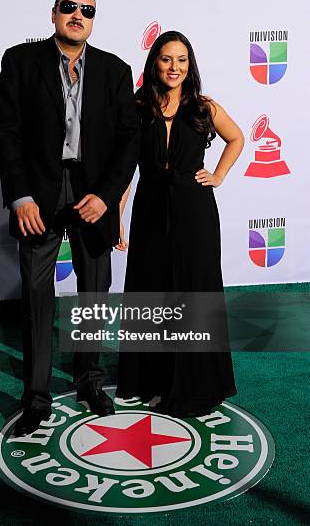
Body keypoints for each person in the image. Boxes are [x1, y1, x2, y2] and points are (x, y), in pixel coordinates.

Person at [0, 0, 140, 436]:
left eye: (87, 9)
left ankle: (90, 381)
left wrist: (108, 194)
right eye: (70, 7)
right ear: (54, 12)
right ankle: (35, 399)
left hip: (93, 191)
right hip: (39, 192)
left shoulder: (115, 70)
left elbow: (129, 139)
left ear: (94, 19)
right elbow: (6, 133)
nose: (78, 15)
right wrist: (20, 196)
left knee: (94, 291)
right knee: (37, 296)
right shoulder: (20, 61)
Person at [115, 30, 244, 417]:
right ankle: (153, 379)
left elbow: (236, 139)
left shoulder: (204, 107)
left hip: (195, 213)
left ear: (191, 65)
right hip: (151, 210)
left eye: (182, 59)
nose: (175, 67)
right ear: (155, 62)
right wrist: (117, 217)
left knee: (192, 291)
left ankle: (195, 382)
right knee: (152, 292)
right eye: (167, 59)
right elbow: (124, 170)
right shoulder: (137, 106)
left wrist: (218, 175)